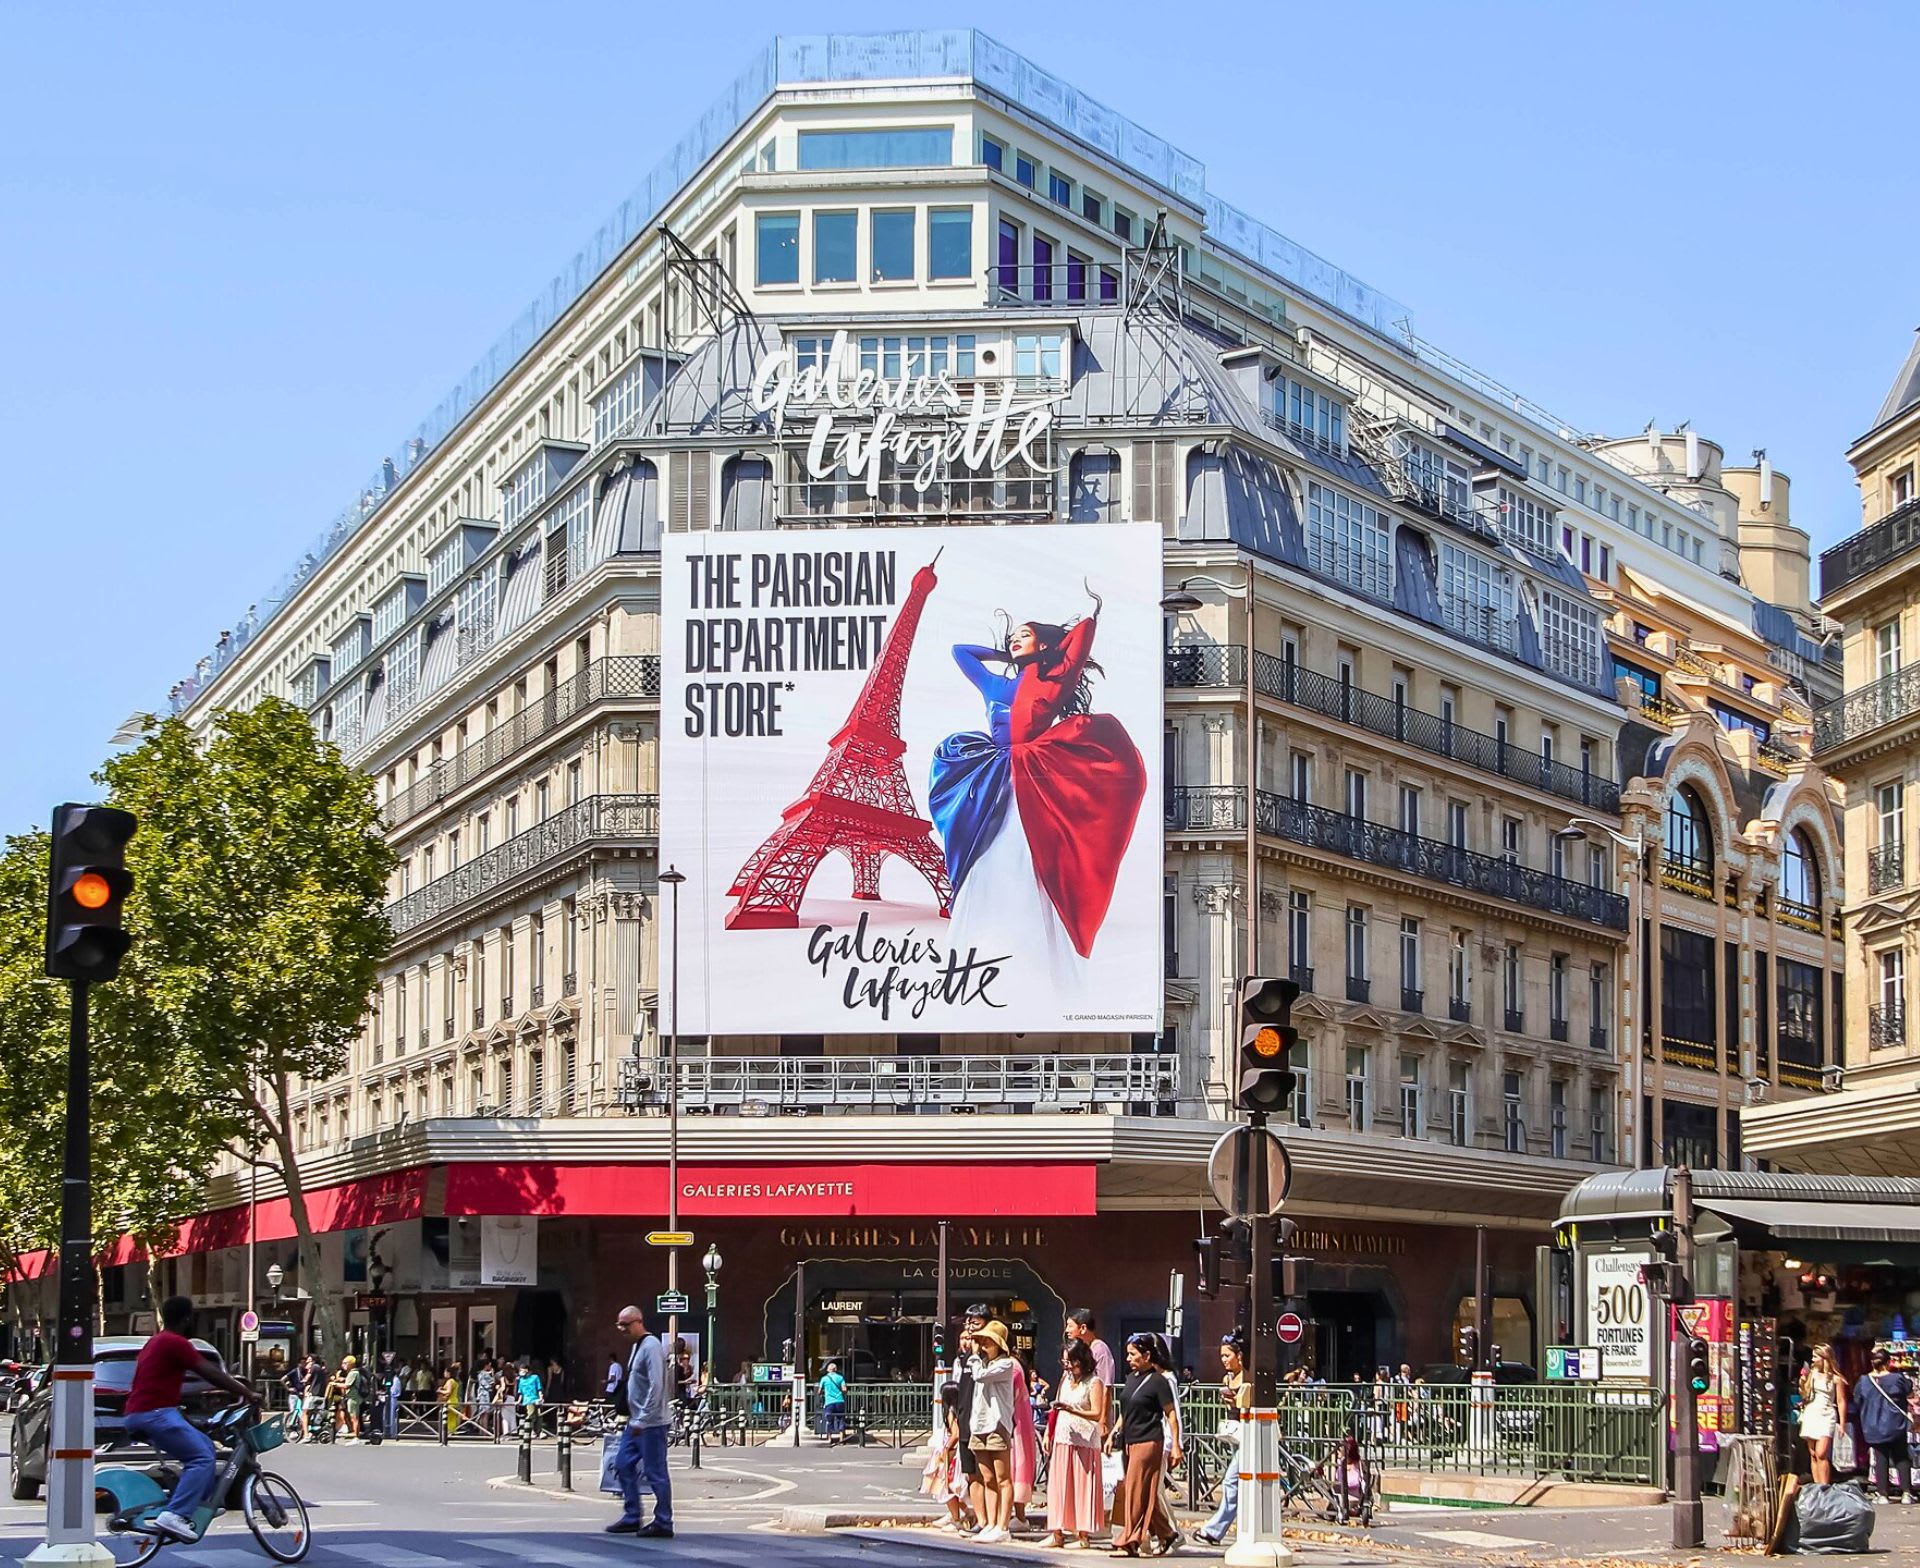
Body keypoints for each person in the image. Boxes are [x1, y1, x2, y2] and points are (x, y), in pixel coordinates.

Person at [928, 590, 1148, 998]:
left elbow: (1084, 631)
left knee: (1025, 858)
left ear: (1043, 645)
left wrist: (1049, 650)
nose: (1015, 639)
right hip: (996, 776)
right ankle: (983, 955)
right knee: (987, 860)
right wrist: (1008, 653)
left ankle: (1029, 959)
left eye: (1024, 635)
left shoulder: (1055, 677)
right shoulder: (994, 682)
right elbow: (961, 652)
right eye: (1013, 636)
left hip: (1030, 777)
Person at [122, 1295, 261, 1544]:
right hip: (155, 1413)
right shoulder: (176, 1342)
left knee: (206, 1447)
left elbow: (160, 1385)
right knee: (201, 1458)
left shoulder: (156, 1341)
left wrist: (188, 1418)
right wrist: (246, 1392)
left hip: (144, 1412)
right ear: (187, 1319)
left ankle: (199, 1506)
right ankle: (176, 1514)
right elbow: (209, 1372)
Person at [1108, 1333, 1181, 1557]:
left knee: (1134, 1490)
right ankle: (1166, 1532)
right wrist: (1114, 1432)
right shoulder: (1132, 1378)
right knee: (1144, 1492)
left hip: (1149, 1441)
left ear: (1147, 1355)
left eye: (1133, 1354)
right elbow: (1126, 1410)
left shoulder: (1159, 1381)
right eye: (1128, 1354)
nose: (1128, 1359)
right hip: (1129, 1441)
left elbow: (1171, 1414)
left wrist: (1176, 1446)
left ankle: (1130, 1540)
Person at [607, 1304, 673, 1539]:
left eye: (625, 1324)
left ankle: (663, 1521)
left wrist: (643, 1418)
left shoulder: (651, 1346)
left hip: (651, 1423)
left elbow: (657, 1385)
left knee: (656, 1472)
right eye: (619, 1325)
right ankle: (632, 1515)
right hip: (637, 1421)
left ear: (638, 1321)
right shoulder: (638, 1346)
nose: (621, 1329)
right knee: (623, 1464)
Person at [1045, 1338, 1108, 1548]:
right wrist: (1048, 1433)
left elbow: (1097, 1412)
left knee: (1082, 1486)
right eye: (1065, 1362)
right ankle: (1057, 1532)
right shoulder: (1065, 1379)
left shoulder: (1094, 1382)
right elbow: (1055, 1408)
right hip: (1063, 1437)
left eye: (1072, 1362)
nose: (1068, 1367)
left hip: (1085, 1441)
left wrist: (1073, 1410)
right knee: (1059, 1485)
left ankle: (1083, 1535)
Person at [967, 1320, 1019, 1544]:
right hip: (979, 1424)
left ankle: (1002, 1525)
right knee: (987, 1478)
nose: (983, 1344)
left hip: (997, 1424)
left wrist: (975, 1357)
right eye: (982, 1340)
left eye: (988, 1340)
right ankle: (990, 1523)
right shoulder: (981, 1363)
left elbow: (980, 1375)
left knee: (1002, 1478)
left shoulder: (1006, 1364)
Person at [1196, 1335, 1250, 1545]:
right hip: (1236, 1433)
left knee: (1231, 1480)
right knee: (1238, 1481)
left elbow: (1249, 1403)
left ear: (1239, 1356)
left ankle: (1214, 1530)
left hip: (1250, 1432)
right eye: (1222, 1356)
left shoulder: (1247, 1376)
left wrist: (1237, 1401)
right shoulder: (1228, 1378)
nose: (1224, 1360)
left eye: (1228, 1355)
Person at [1858, 1346, 1914, 1502]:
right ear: (1888, 1362)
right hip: (1895, 1423)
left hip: (1873, 1425)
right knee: (1901, 1457)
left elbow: (1857, 1400)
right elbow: (1909, 1391)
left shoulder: (1863, 1381)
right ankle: (1906, 1493)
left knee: (1880, 1459)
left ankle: (1883, 1494)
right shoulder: (1897, 1378)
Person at [923, 1380, 977, 1533]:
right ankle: (964, 1512)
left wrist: (946, 1449)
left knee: (946, 1487)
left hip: (951, 1453)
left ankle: (956, 1519)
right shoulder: (960, 1411)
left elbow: (955, 1434)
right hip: (955, 1452)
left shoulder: (951, 1412)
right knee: (949, 1487)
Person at [1800, 1343, 1849, 1484]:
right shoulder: (1812, 1374)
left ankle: (1824, 1486)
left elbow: (1841, 1401)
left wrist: (1842, 1423)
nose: (1813, 1360)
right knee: (1813, 1453)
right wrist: (1802, 1383)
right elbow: (1805, 1394)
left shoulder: (1836, 1379)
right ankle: (1817, 1486)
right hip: (1812, 1412)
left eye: (1816, 1357)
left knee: (1821, 1453)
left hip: (1827, 1413)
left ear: (1824, 1358)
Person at [1066, 1308, 1116, 1391]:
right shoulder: (1074, 1350)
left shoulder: (1100, 1349)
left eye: (1070, 1326)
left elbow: (1105, 1386)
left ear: (1083, 1328)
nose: (1067, 1330)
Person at [818, 1360, 849, 1445]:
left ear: (828, 1370)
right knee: (841, 1419)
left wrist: (825, 1392)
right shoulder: (840, 1378)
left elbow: (819, 1391)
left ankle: (830, 1439)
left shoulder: (824, 1379)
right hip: (840, 1401)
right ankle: (841, 1439)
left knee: (829, 1420)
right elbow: (844, 1389)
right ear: (836, 1369)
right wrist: (840, 1393)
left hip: (829, 1402)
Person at [517, 1359, 545, 1437]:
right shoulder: (521, 1380)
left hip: (536, 1399)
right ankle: (531, 1430)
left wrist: (541, 1397)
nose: (521, 1372)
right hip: (528, 1400)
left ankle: (539, 1431)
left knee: (539, 1415)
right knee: (531, 1414)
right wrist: (518, 1401)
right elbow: (520, 1392)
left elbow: (539, 1388)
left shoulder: (535, 1377)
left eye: (523, 1370)